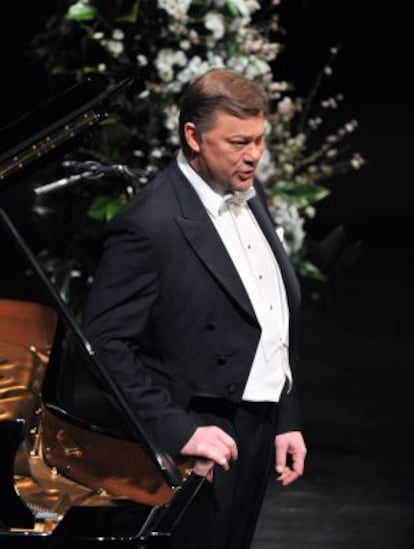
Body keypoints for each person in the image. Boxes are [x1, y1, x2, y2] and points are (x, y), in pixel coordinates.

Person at [77, 68, 307, 548]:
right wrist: (178, 431)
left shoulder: (247, 190)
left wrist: (284, 415)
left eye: (260, 141)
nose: (254, 157)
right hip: (199, 433)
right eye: (239, 142)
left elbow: (267, 314)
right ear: (193, 137)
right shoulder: (150, 223)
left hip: (255, 426)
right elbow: (103, 342)